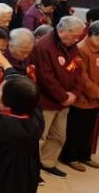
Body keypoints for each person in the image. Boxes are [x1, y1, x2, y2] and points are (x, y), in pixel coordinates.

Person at [30, 16, 85, 179]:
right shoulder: (44, 47)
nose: (77, 40)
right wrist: (63, 96)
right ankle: (32, 168)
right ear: (61, 31)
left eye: (79, 36)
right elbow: (45, 77)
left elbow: (78, 70)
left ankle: (47, 163)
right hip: (47, 101)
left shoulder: (72, 46)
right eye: (74, 36)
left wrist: (74, 93)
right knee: (40, 136)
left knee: (59, 136)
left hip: (65, 101)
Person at [63, 21, 99, 171]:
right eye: (98, 38)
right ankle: (70, 157)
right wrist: (97, 92)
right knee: (76, 129)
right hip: (82, 98)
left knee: (88, 129)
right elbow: (82, 77)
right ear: (90, 35)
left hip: (94, 99)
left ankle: (84, 155)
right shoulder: (81, 49)